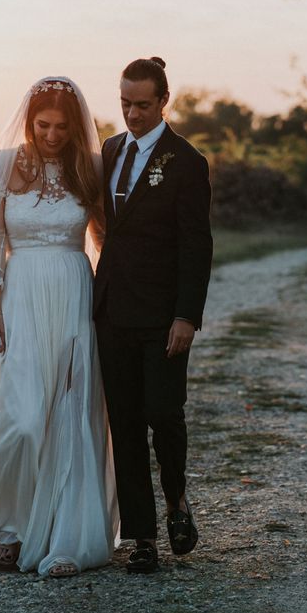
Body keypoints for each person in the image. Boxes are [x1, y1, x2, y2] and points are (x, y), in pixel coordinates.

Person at [0, 77, 118, 578]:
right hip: (20, 294)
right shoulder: (1, 164)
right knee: (17, 411)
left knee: (68, 407)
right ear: (29, 120)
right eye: (44, 125)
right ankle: (5, 521)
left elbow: (105, 238)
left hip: (73, 289)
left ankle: (56, 531)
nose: (53, 134)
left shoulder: (88, 167)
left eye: (62, 126)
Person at [94, 57, 212, 574]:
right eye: (125, 103)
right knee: (123, 424)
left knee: (163, 413)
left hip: (164, 317)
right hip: (112, 312)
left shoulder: (187, 161)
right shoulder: (110, 150)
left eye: (142, 104)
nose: (132, 114)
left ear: (165, 100)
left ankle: (177, 502)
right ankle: (142, 537)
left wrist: (187, 315)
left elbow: (196, 245)